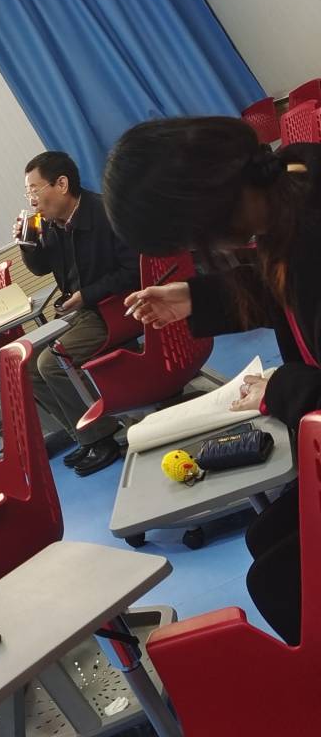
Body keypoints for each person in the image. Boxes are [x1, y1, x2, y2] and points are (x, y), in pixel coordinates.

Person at [103, 115, 321, 645]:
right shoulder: (293, 182)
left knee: (277, 578)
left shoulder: (311, 233)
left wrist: (279, 388)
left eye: (188, 238)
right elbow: (287, 289)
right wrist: (193, 296)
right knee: (267, 536)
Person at [16, 151, 141, 476]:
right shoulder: (52, 224)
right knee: (26, 366)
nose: (32, 200)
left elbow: (133, 271)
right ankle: (85, 436)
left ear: (61, 184)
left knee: (52, 362)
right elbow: (41, 268)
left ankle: (103, 437)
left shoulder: (105, 212)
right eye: (28, 193)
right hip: (83, 313)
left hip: (114, 308)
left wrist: (87, 295)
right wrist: (27, 244)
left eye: (34, 190)